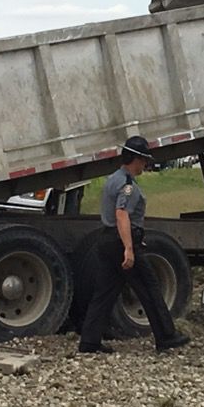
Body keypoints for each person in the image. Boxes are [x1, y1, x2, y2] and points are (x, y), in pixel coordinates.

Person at [78, 136, 191, 355]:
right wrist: (129, 248)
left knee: (104, 294)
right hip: (121, 241)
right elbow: (122, 214)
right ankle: (166, 336)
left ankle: (89, 341)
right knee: (149, 287)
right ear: (136, 159)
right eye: (144, 160)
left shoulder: (113, 179)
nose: (145, 164)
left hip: (107, 239)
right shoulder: (127, 185)